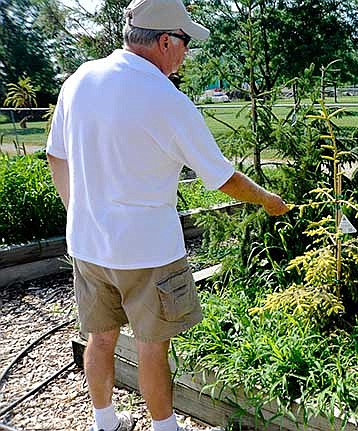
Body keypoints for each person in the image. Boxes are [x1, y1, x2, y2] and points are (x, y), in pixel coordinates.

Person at [45, 0, 289, 430]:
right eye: (185, 42)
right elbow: (223, 178)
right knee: (151, 346)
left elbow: (56, 156)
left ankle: (105, 422)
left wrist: (76, 211)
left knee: (99, 338)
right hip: (148, 252)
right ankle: (164, 427)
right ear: (163, 41)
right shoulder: (167, 100)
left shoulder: (79, 80)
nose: (186, 53)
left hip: (87, 244)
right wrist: (270, 200)